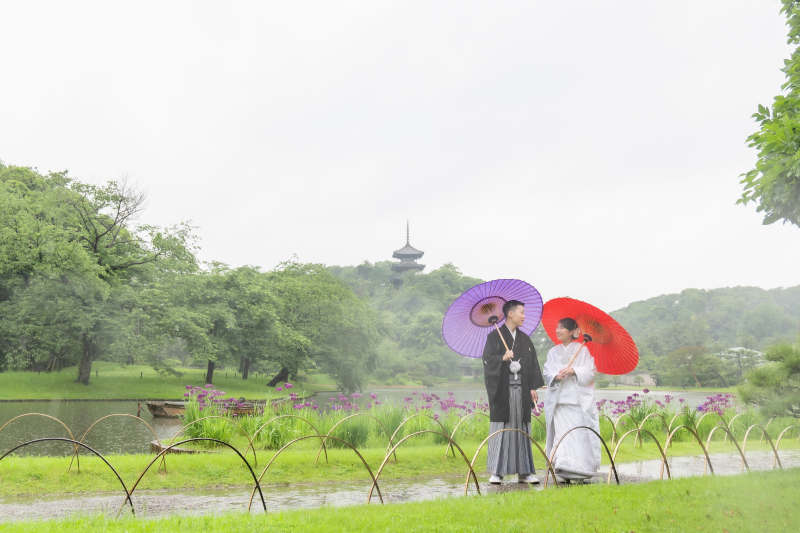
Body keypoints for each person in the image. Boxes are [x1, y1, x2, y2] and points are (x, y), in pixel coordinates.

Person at [481, 299, 545, 484]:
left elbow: (533, 365)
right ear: (511, 313)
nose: (524, 316)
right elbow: (487, 360)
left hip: (522, 391)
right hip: (503, 391)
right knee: (502, 427)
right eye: (522, 312)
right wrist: (502, 357)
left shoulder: (525, 339)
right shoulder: (494, 337)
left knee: (521, 428)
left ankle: (524, 472)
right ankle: (497, 471)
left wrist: (533, 387)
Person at [543, 317, 601, 483]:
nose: (558, 330)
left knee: (578, 434)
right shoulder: (553, 352)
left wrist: (574, 370)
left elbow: (590, 370)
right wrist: (556, 375)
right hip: (559, 401)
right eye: (557, 327)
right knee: (562, 435)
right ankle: (564, 469)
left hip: (576, 401)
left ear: (571, 331)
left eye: (562, 328)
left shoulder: (582, 350)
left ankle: (581, 471)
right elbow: (547, 370)